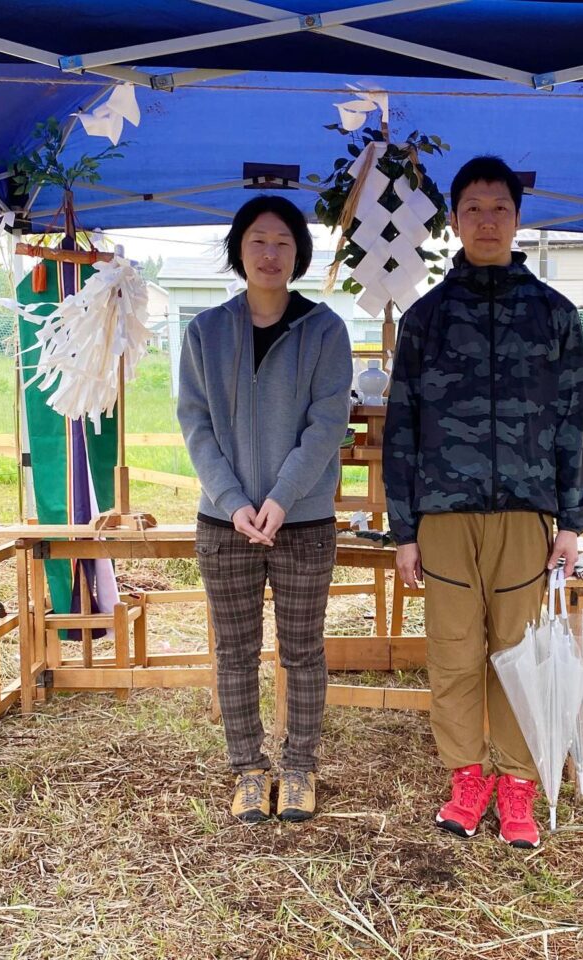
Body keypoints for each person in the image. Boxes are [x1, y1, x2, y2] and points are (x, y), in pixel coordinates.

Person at [383, 156, 583, 849]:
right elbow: (402, 428)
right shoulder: (426, 320)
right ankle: (467, 776)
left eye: (499, 207)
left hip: (526, 513)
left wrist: (574, 521)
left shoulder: (555, 317)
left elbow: (572, 420)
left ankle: (519, 782)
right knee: (452, 653)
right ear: (453, 220)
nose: (486, 221)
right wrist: (404, 529)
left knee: (519, 651)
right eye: (472, 208)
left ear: (518, 217)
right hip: (443, 515)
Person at [178, 195, 352, 824]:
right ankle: (249, 769)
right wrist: (232, 501)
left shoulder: (325, 329)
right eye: (258, 241)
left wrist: (280, 498)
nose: (270, 253)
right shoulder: (205, 332)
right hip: (224, 523)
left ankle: (300, 766)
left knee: (302, 649)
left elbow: (328, 422)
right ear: (239, 250)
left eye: (283, 242)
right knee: (235, 650)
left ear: (299, 254)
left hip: (302, 521)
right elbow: (195, 425)